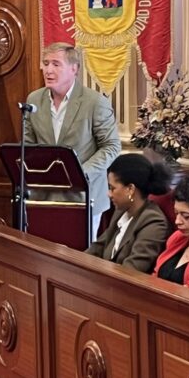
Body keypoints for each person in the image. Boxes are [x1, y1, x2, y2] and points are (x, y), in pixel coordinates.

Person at [22, 42, 121, 239]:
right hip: (44, 196)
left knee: (79, 255)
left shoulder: (95, 102)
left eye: (56, 64)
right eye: (46, 63)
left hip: (84, 195)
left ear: (74, 69)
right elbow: (28, 145)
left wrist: (80, 173)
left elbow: (111, 146)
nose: (48, 70)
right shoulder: (34, 99)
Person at [86, 153, 171, 273]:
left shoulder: (154, 222)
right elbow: (97, 248)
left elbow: (132, 270)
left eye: (112, 188)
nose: (109, 194)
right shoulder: (120, 211)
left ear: (130, 189)